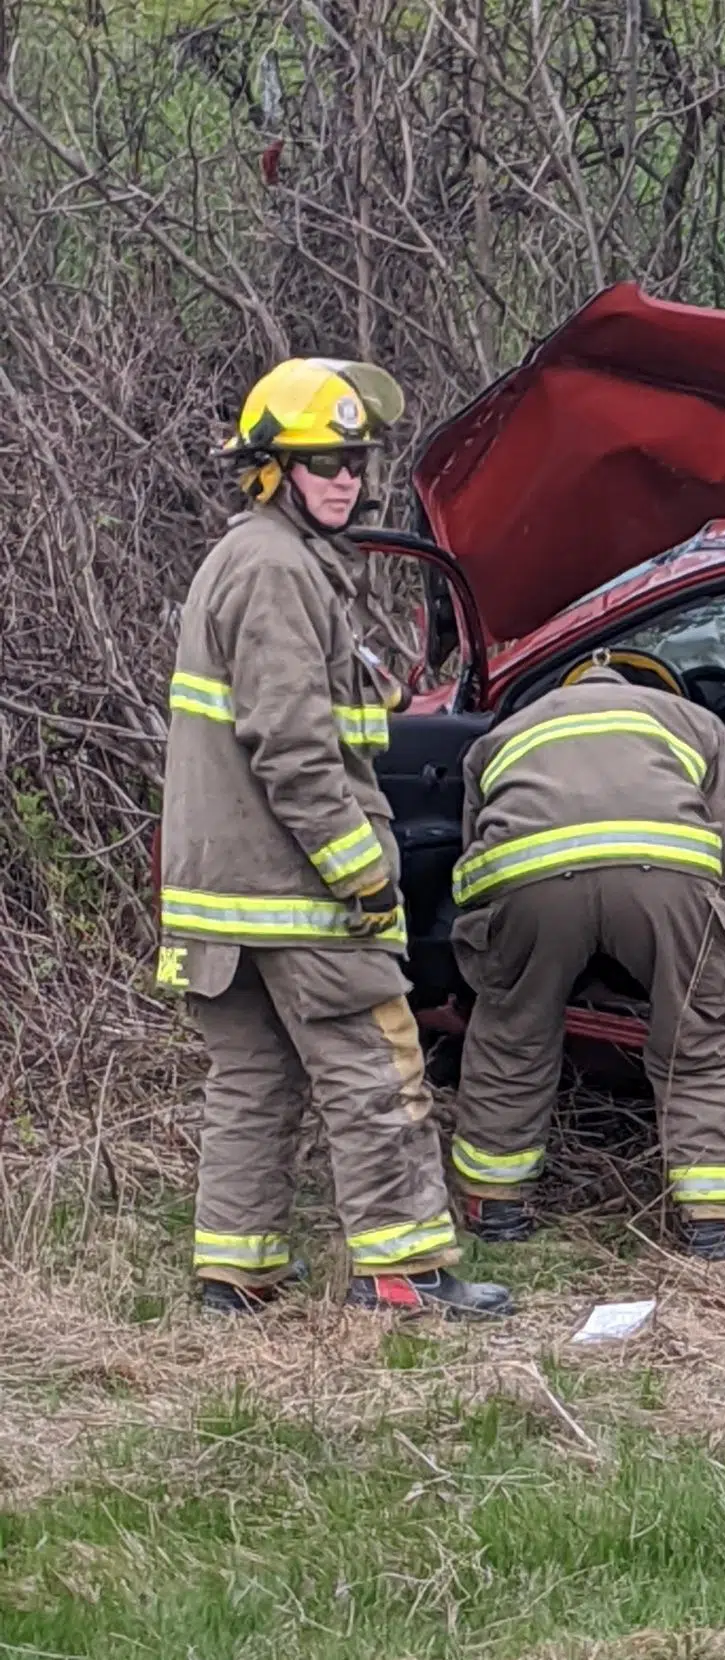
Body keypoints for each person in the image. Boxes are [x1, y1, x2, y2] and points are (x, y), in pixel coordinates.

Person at [158, 358, 512, 1322]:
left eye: (353, 459)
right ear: (272, 470)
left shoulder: (262, 561)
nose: (345, 478)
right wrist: (361, 874)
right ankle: (406, 1275)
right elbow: (293, 746)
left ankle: (237, 1275)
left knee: (253, 1081)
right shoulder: (276, 568)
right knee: (378, 1068)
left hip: (226, 893)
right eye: (321, 460)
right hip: (297, 888)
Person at [447, 661, 725, 1260]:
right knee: (696, 1042)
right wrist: (721, 933)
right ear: (650, 689)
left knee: (512, 1036)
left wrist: (511, 950)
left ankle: (493, 1207)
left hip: (531, 881)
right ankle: (715, 1221)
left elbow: (474, 853)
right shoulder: (693, 721)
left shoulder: (504, 734)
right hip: (668, 882)